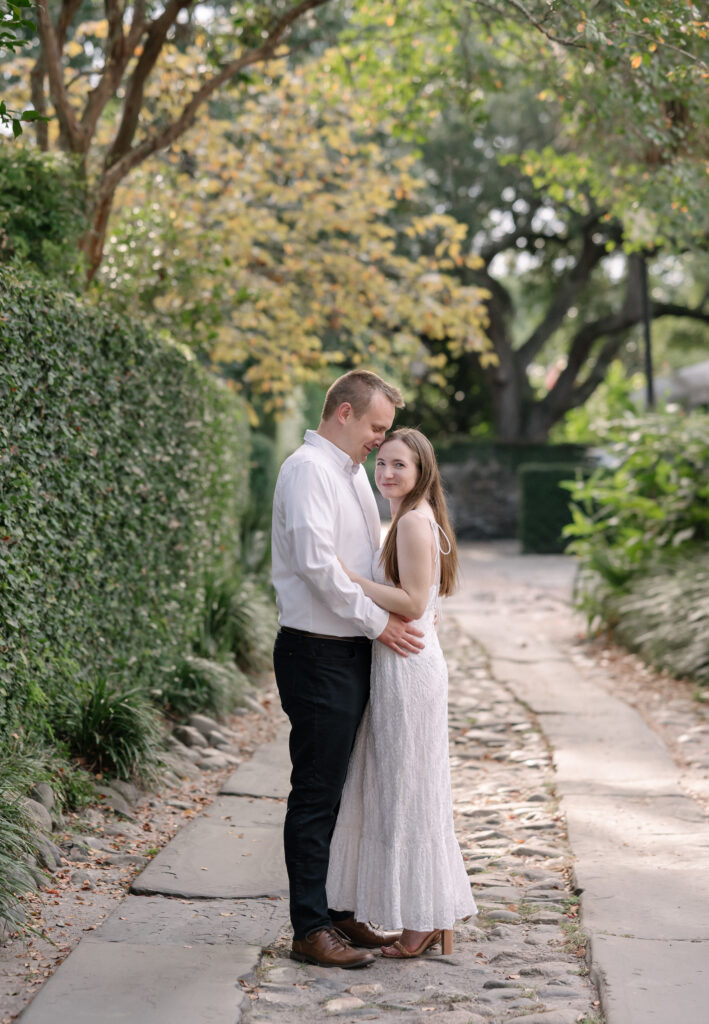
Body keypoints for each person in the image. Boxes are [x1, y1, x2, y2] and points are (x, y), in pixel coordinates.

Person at [271, 370, 426, 970]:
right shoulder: (306, 471)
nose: (378, 441)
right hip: (316, 652)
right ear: (342, 412)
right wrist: (379, 624)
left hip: (350, 650)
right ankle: (309, 928)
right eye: (375, 427)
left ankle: (337, 910)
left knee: (344, 789)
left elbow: (361, 563)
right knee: (315, 792)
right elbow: (317, 566)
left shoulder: (354, 474)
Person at [326, 427, 477, 958]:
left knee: (410, 793)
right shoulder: (409, 518)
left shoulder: (413, 521)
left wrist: (347, 577)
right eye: (382, 463)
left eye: (400, 466)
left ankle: (424, 920)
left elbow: (412, 603)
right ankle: (426, 914)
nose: (387, 473)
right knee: (403, 789)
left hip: (409, 668)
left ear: (421, 474)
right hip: (401, 666)